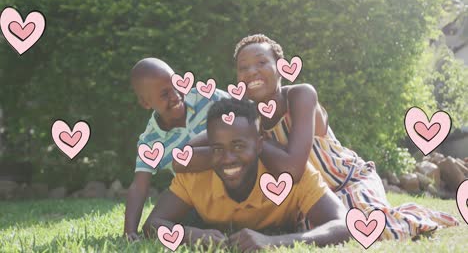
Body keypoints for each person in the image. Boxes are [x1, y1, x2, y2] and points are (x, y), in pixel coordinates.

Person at [230, 34, 459, 240]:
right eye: (243, 67)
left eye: (261, 62)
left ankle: (416, 217)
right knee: (318, 233)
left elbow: (294, 168)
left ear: (280, 67)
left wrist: (253, 137)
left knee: (370, 227)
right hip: (315, 198)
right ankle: (399, 213)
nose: (251, 71)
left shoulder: (300, 96)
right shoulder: (246, 117)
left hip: (350, 179)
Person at [143, 98, 350, 251]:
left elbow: (343, 224)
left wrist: (273, 242)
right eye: (217, 148)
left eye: (238, 146)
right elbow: (153, 224)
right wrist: (192, 235)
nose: (228, 158)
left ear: (260, 145)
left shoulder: (290, 176)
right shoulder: (195, 175)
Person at [124, 58, 229, 241]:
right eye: (164, 94)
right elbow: (139, 186)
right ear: (146, 103)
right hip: (201, 201)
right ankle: (199, 235)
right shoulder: (150, 141)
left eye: (176, 85)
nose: (175, 96)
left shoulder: (207, 98)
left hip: (236, 182)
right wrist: (129, 231)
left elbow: (247, 114)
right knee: (154, 227)